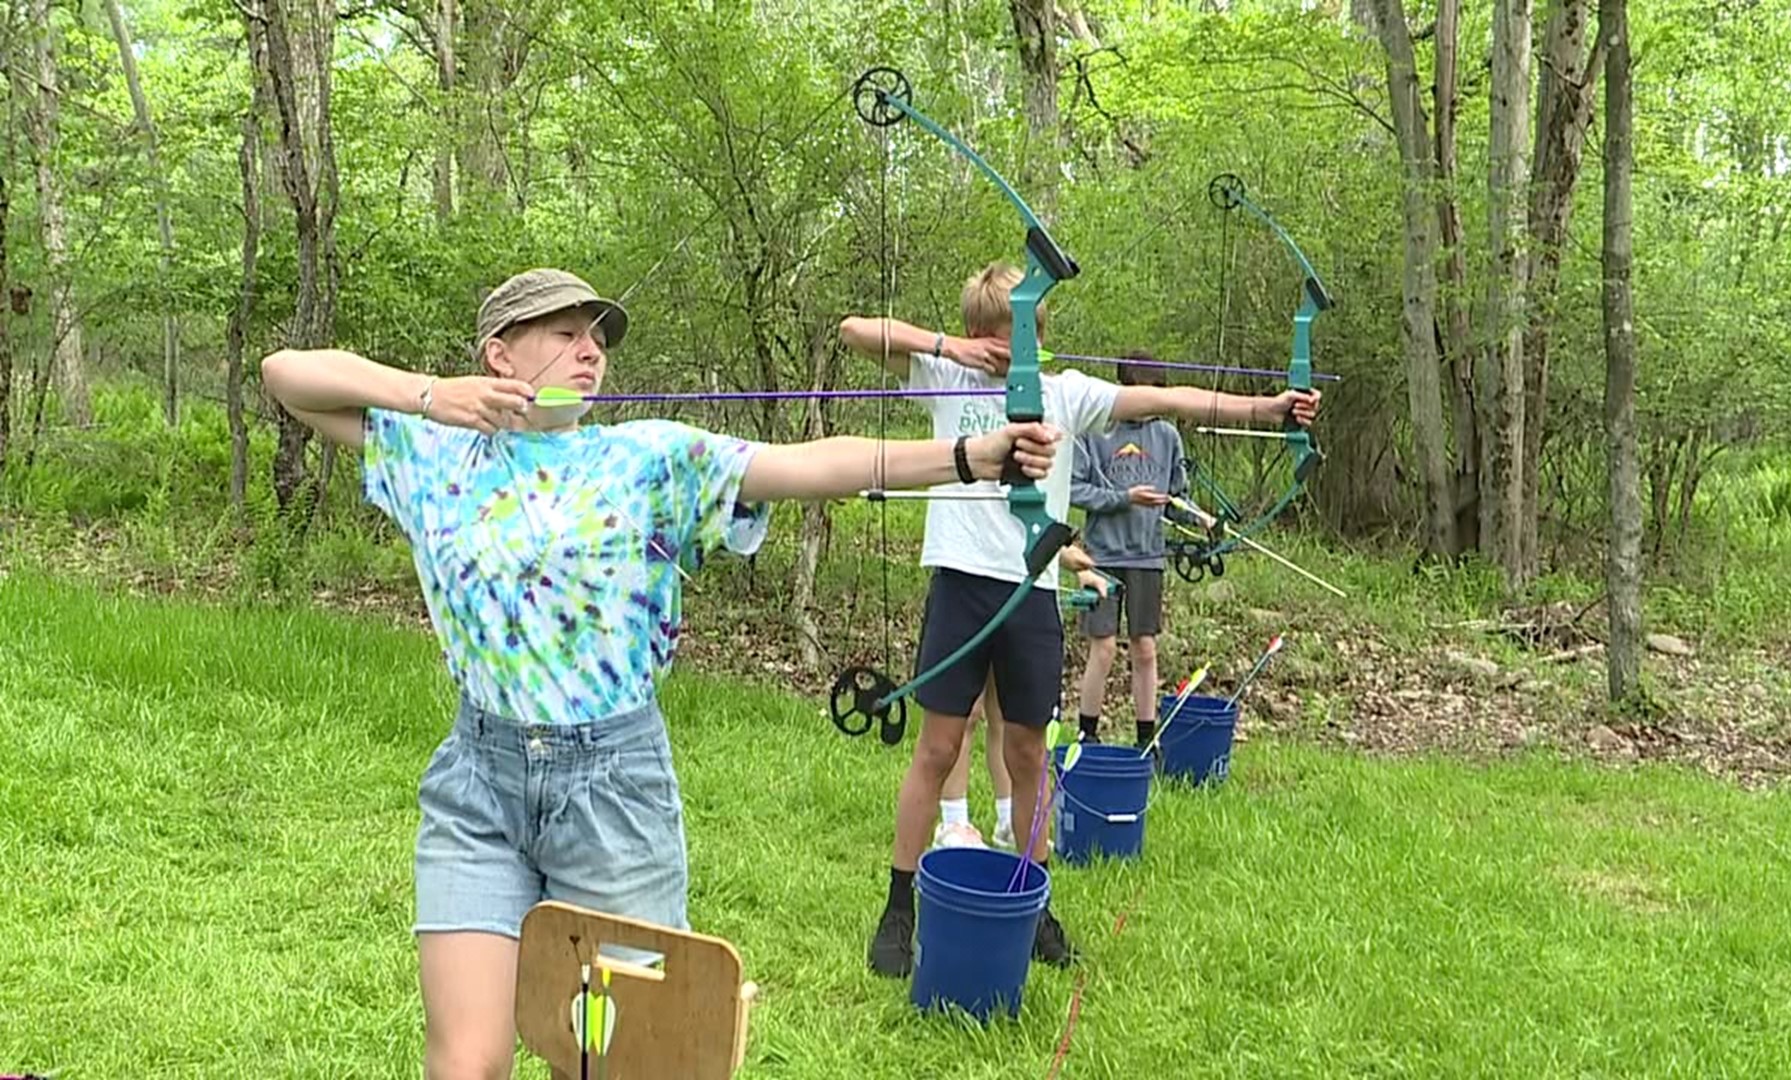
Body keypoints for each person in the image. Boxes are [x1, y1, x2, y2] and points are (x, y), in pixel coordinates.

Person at [259, 267, 1064, 1080]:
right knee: (466, 1064)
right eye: (566, 334)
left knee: (630, 1064)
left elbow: (811, 464)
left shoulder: (647, 458)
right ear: (499, 355)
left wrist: (973, 455)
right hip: (479, 785)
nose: (591, 352)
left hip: (615, 791)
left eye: (599, 339)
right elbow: (287, 376)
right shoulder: (430, 451)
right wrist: (433, 395)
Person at [838, 262, 1320, 978]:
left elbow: (1167, 397)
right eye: (1004, 340)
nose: (1017, 354)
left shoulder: (1064, 394)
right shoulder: (951, 381)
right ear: (980, 335)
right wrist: (950, 349)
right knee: (938, 748)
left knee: (1030, 752)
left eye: (1027, 337)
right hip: (962, 586)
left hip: (1030, 592)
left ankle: (1033, 903)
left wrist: (1266, 410)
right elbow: (854, 330)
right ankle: (898, 908)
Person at [1069, 354, 1215, 752]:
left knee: (1145, 648)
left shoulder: (1167, 435)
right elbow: (1073, 489)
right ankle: (1088, 734)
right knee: (1102, 646)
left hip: (1147, 558)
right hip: (1102, 556)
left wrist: (1198, 517)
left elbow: (1175, 497)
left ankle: (1146, 739)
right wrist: (1123, 498)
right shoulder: (1094, 430)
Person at [932, 543, 1110, 852]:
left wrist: (1070, 561)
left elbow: (1034, 520)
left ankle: (1009, 820)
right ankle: (953, 821)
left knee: (1006, 711)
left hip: (1020, 587)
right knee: (966, 711)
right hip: (971, 577)